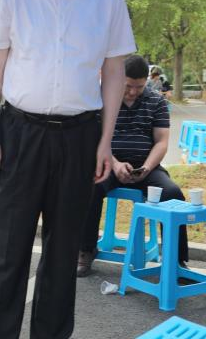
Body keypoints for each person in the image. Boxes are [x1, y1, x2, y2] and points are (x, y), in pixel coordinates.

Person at [0, 0, 136, 339]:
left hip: (79, 135)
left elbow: (113, 72)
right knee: (6, 251)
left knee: (63, 252)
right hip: (18, 133)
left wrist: (105, 142)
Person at [77, 55, 187, 277]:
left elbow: (162, 142)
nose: (133, 92)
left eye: (139, 87)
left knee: (173, 194)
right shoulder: (101, 100)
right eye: (128, 86)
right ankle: (85, 250)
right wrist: (115, 164)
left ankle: (176, 260)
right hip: (108, 163)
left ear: (147, 81)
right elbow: (94, 139)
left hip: (146, 167)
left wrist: (146, 168)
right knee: (89, 188)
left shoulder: (156, 101)